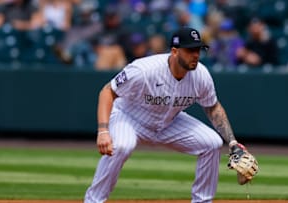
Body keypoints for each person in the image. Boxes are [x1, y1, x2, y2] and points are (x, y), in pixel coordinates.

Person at [84, 27, 246, 203]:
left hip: (169, 122)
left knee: (212, 143)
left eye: (198, 49)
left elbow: (213, 107)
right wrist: (103, 131)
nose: (196, 55)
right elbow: (107, 92)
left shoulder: (201, 75)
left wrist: (232, 142)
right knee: (122, 146)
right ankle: (93, 200)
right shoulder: (144, 70)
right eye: (190, 50)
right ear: (175, 51)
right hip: (129, 117)